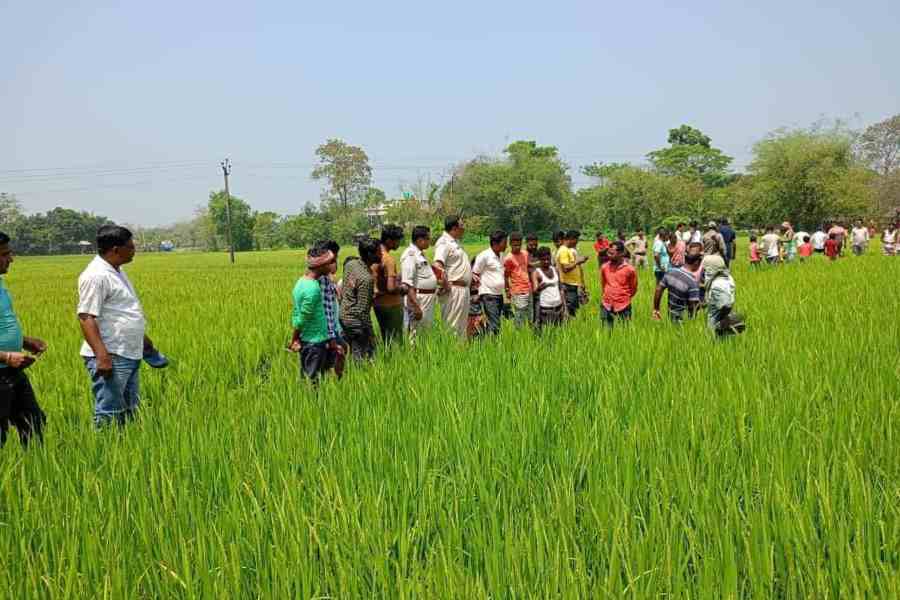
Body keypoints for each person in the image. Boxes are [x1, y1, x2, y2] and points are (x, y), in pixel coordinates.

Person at [78, 225, 163, 427]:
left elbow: (121, 312)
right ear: (116, 250)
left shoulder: (116, 271)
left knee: (130, 410)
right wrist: (102, 356)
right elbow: (85, 316)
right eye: (131, 247)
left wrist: (143, 340)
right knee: (110, 411)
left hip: (127, 352)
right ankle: (105, 453)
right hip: (112, 354)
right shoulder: (96, 276)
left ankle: (125, 447)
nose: (134, 251)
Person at [0, 232, 47, 447]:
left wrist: (23, 341)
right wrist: (7, 356)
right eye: (4, 254)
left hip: (12, 371)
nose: (11, 258)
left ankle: (36, 472)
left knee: (33, 422)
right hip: (3, 368)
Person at [289, 245, 340, 382]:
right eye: (329, 262)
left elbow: (296, 312)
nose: (331, 266)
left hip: (314, 341)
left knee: (316, 380)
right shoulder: (313, 289)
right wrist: (294, 338)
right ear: (321, 265)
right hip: (314, 344)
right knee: (312, 383)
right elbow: (302, 318)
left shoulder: (301, 282)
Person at [339, 239, 381, 361]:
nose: (381, 254)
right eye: (378, 252)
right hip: (355, 321)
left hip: (343, 315)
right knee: (361, 354)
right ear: (370, 255)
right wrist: (371, 334)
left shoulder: (351, 264)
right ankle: (359, 373)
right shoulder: (366, 279)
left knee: (350, 349)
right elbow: (362, 312)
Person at [433, 215, 473, 339]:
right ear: (455, 228)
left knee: (461, 328)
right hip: (454, 289)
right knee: (453, 327)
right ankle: (451, 353)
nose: (464, 228)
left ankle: (460, 355)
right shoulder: (444, 243)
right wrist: (446, 285)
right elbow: (437, 265)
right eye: (462, 225)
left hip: (462, 289)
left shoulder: (455, 243)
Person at [400, 226, 438, 342]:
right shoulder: (410, 255)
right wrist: (416, 307)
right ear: (420, 240)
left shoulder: (419, 254)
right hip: (419, 299)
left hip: (426, 299)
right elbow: (408, 284)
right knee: (416, 334)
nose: (430, 241)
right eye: (428, 238)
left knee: (425, 332)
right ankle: (415, 357)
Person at [316, 240, 346, 378]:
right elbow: (325, 310)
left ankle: (336, 386)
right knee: (327, 366)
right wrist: (331, 337)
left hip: (332, 329)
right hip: (327, 333)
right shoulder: (321, 280)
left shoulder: (328, 279)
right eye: (334, 258)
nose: (335, 262)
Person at [372, 224, 405, 346]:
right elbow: (391, 287)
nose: (399, 243)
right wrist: (402, 289)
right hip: (391, 305)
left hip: (378, 304)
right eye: (397, 240)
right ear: (389, 241)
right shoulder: (388, 259)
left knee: (386, 340)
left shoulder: (374, 255)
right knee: (395, 342)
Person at [473, 230, 508, 336]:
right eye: (504, 242)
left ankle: (487, 341)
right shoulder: (484, 256)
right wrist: (476, 293)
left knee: (495, 322)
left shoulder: (501, 255)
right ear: (496, 243)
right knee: (494, 324)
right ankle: (492, 345)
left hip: (498, 294)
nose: (506, 245)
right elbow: (475, 274)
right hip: (489, 294)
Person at [652, 250, 701, 323]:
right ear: (696, 262)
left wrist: (656, 309)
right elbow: (692, 307)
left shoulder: (670, 272)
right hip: (683, 322)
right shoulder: (693, 282)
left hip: (670, 316)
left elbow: (658, 289)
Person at [599, 241, 637, 327]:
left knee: (625, 330)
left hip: (623, 303)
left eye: (612, 253)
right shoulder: (604, 267)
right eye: (608, 252)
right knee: (605, 330)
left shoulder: (630, 269)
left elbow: (633, 288)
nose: (609, 255)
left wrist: (624, 296)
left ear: (621, 253)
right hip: (606, 303)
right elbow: (603, 284)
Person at [704, 255, 743, 337]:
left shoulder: (718, 284)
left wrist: (720, 324)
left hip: (716, 322)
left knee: (716, 342)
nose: (704, 271)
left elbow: (726, 305)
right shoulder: (728, 278)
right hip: (724, 319)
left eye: (706, 268)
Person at [531, 247, 565, 331]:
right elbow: (535, 290)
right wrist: (540, 287)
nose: (546, 261)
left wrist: (564, 307)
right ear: (539, 259)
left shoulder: (555, 270)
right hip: (546, 310)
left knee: (559, 332)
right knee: (547, 334)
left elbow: (560, 288)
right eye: (543, 259)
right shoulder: (536, 273)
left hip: (558, 307)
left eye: (548, 259)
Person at [556, 229, 588, 317]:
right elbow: (565, 268)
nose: (576, 243)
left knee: (573, 311)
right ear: (571, 239)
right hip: (567, 286)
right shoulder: (563, 251)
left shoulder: (567, 250)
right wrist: (578, 261)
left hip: (571, 285)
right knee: (570, 312)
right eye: (576, 240)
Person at [504, 232, 533, 328]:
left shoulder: (525, 253)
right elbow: (505, 276)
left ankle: (530, 333)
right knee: (519, 315)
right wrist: (507, 290)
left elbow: (529, 267)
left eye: (519, 245)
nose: (517, 247)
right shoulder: (508, 258)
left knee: (530, 315)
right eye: (515, 245)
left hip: (529, 288)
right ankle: (519, 334)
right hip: (518, 291)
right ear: (510, 244)